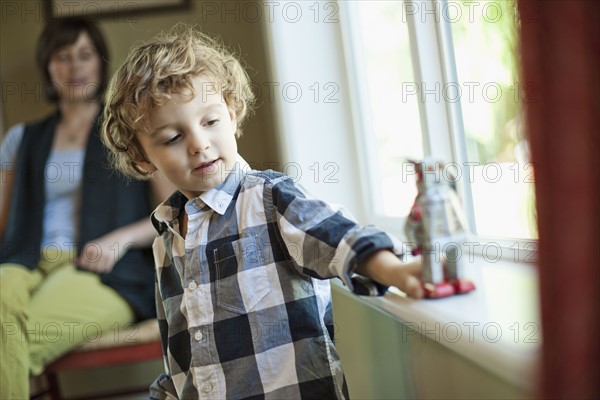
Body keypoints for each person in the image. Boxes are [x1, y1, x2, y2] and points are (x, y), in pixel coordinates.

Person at [102, 25, 424, 400]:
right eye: (173, 138)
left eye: (210, 121)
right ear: (142, 160)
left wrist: (397, 270)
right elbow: (179, 360)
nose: (199, 144)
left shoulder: (271, 199)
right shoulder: (166, 243)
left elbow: (339, 237)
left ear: (233, 113)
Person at [0, 17, 172, 399]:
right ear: (48, 66)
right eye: (63, 56)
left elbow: (173, 209)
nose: (74, 67)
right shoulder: (21, 139)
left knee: (15, 339)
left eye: (84, 55)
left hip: (101, 269)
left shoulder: (130, 130)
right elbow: (4, 222)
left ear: (100, 62)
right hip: (25, 260)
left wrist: (120, 239)